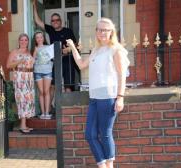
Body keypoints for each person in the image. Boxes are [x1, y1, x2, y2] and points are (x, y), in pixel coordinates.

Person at [66, 18, 130, 168]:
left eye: (105, 30)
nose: (101, 32)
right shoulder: (96, 50)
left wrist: (120, 98)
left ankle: (109, 166)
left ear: (111, 32)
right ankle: (102, 165)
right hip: (94, 98)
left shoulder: (116, 50)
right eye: (99, 29)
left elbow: (122, 75)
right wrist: (73, 47)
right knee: (90, 135)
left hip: (108, 97)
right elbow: (81, 64)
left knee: (105, 134)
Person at [33, 0, 78, 93]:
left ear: (61, 21)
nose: (55, 22)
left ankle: (67, 106)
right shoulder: (50, 29)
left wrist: (68, 49)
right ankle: (50, 106)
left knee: (68, 85)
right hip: (55, 60)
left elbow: (75, 45)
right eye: (53, 20)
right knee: (52, 85)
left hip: (67, 60)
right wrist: (34, 6)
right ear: (51, 22)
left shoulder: (68, 31)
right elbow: (38, 21)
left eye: (57, 20)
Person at [7, 33, 35, 133]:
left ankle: (24, 124)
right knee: (22, 100)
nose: (23, 42)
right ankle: (22, 126)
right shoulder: (15, 52)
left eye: (26, 40)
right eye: (22, 40)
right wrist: (20, 61)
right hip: (20, 77)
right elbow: (8, 65)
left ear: (28, 42)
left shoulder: (29, 52)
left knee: (28, 101)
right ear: (19, 41)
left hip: (29, 78)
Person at [32, 31, 53, 120]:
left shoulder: (49, 47)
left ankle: (47, 113)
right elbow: (33, 60)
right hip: (38, 72)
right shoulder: (36, 49)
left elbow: (53, 57)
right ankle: (43, 113)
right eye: (37, 37)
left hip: (47, 71)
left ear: (43, 38)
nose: (39, 39)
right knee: (41, 92)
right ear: (35, 40)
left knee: (46, 91)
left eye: (41, 37)